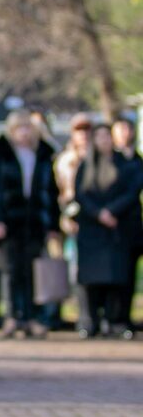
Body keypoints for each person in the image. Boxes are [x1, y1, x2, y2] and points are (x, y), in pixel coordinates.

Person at [0, 110, 60, 338]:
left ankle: (32, 317)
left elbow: (51, 193)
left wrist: (53, 225)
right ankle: (13, 316)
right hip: (10, 223)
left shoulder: (43, 155)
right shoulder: (1, 155)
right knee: (11, 271)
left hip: (35, 223)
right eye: (19, 128)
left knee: (32, 272)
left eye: (27, 128)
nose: (24, 133)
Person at [74, 124, 137, 338]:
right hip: (92, 230)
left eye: (106, 136)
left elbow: (132, 191)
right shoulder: (86, 165)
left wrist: (111, 211)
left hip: (116, 229)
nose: (103, 141)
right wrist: (98, 213)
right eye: (99, 137)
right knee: (91, 280)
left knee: (116, 278)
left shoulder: (124, 164)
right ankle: (90, 320)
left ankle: (115, 320)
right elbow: (80, 194)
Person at [55, 113, 94, 335]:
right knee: (74, 270)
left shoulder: (99, 158)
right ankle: (81, 316)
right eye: (79, 131)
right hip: (71, 223)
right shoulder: (66, 160)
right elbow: (61, 192)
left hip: (93, 222)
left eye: (87, 130)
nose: (83, 136)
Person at [111, 116, 143, 333]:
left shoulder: (138, 160)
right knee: (114, 273)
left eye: (126, 129)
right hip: (111, 227)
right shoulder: (109, 160)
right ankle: (112, 317)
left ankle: (125, 317)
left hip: (131, 225)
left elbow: (134, 191)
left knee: (129, 274)